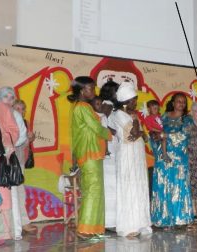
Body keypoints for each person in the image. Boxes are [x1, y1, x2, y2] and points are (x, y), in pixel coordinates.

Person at [67, 76, 112, 239]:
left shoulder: (82, 107)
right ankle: (85, 229)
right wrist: (108, 133)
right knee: (93, 190)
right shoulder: (83, 107)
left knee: (94, 190)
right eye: (90, 88)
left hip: (91, 153)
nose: (94, 91)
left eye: (94, 88)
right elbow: (96, 127)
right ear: (81, 90)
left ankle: (93, 228)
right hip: (89, 153)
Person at [113, 81, 152, 237]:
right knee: (129, 188)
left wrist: (140, 133)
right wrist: (136, 121)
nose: (135, 102)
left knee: (139, 187)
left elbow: (143, 136)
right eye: (132, 100)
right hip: (127, 155)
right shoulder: (119, 115)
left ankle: (142, 223)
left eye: (135, 99)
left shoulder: (131, 114)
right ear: (124, 102)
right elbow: (134, 134)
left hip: (137, 154)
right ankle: (128, 227)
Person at [151, 93, 194, 228]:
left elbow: (184, 135)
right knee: (163, 186)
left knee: (178, 187)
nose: (181, 104)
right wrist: (155, 136)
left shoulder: (187, 119)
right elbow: (154, 130)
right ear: (173, 103)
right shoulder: (163, 117)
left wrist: (165, 135)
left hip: (179, 159)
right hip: (162, 158)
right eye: (178, 101)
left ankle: (180, 219)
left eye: (183, 102)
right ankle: (163, 219)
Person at [0, 87, 21, 244]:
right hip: (1, 157)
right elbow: (13, 132)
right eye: (6, 96)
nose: (9, 100)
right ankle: (3, 234)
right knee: (4, 193)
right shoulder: (5, 109)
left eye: (11, 97)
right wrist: (8, 145)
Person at [11, 99, 37, 235]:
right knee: (19, 192)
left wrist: (31, 138)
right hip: (12, 162)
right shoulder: (10, 123)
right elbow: (14, 143)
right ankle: (23, 222)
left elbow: (24, 144)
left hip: (20, 162)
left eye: (23, 109)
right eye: (17, 109)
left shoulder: (25, 123)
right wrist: (27, 139)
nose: (21, 112)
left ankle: (20, 222)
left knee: (19, 191)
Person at [99, 80, 119, 229]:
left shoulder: (113, 106)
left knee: (112, 185)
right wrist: (113, 132)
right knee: (110, 185)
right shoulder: (107, 104)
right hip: (108, 149)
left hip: (113, 147)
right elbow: (103, 123)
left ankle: (112, 221)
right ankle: (109, 221)